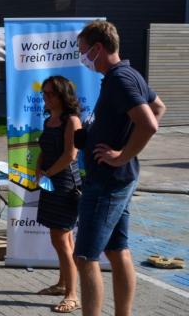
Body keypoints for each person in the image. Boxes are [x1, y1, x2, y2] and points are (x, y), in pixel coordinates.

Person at [75, 20, 166, 316]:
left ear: (98, 48)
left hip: (108, 181)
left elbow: (149, 123)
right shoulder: (129, 74)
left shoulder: (119, 79)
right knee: (116, 250)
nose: (82, 57)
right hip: (117, 179)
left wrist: (122, 154)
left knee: (85, 256)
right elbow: (159, 107)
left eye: (83, 51)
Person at [34, 75, 82, 313]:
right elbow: (44, 149)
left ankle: (72, 295)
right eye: (44, 93)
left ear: (62, 95)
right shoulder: (49, 120)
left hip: (64, 184)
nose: (45, 97)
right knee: (65, 239)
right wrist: (38, 169)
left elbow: (70, 155)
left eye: (50, 93)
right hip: (49, 181)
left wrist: (47, 173)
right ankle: (63, 284)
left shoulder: (71, 121)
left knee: (60, 240)